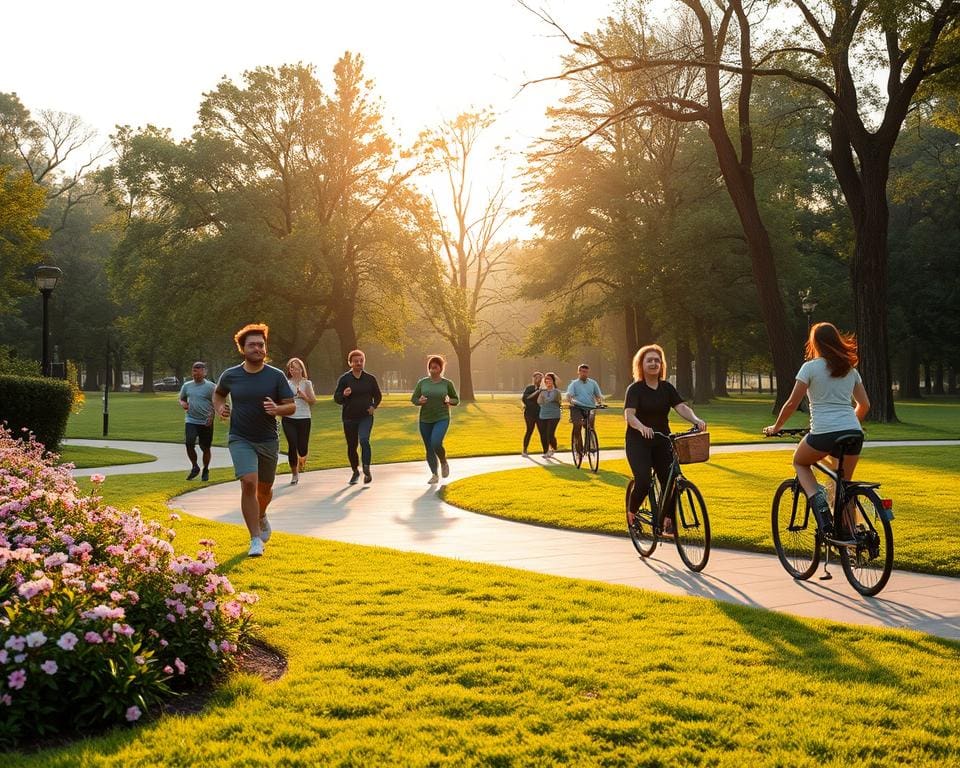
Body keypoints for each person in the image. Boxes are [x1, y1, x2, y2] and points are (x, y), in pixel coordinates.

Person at [763, 322, 870, 535]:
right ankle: (850, 536)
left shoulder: (810, 368)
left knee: (799, 461)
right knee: (844, 486)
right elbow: (864, 405)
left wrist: (776, 427)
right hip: (853, 433)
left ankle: (820, 505)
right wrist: (849, 425)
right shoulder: (850, 370)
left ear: (816, 343)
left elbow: (792, 403)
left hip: (823, 433)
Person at [213, 323, 295, 558]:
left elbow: (291, 406)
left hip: (268, 439)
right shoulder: (230, 375)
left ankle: (261, 514)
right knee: (249, 482)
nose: (258, 348)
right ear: (243, 349)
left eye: (261, 344)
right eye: (252, 345)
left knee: (265, 489)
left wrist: (277, 409)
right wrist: (220, 408)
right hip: (240, 437)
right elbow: (218, 394)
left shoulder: (276, 376)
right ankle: (255, 539)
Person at [624, 344, 706, 535]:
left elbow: (681, 407)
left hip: (662, 440)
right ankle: (632, 513)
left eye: (657, 360)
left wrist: (696, 419)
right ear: (641, 364)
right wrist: (642, 427)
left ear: (662, 365)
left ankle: (668, 520)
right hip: (638, 442)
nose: (654, 363)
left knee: (672, 480)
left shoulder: (667, 388)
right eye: (649, 360)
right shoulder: (635, 389)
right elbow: (629, 415)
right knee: (643, 482)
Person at [334, 349, 383, 485]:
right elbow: (337, 398)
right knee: (352, 446)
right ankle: (355, 471)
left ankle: (366, 468)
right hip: (349, 418)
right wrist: (344, 394)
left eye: (361, 361)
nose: (359, 363)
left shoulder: (370, 379)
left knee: (364, 439)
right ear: (350, 363)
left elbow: (378, 396)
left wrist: (374, 406)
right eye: (356, 361)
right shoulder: (345, 379)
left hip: (366, 416)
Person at [411, 355, 460, 484]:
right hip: (425, 419)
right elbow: (414, 399)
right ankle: (434, 474)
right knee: (429, 447)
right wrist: (419, 401)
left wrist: (449, 400)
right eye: (431, 367)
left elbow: (456, 399)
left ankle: (443, 462)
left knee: (436, 442)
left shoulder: (447, 383)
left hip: (442, 417)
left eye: (435, 367)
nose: (432, 369)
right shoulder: (422, 382)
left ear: (440, 368)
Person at [178, 361, 216, 481]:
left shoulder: (211, 387)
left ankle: (205, 469)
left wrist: (211, 417)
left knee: (205, 447)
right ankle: (195, 467)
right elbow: (181, 398)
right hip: (191, 419)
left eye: (198, 372)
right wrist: (183, 403)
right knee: (189, 443)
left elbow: (216, 403)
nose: (196, 375)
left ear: (204, 372)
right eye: (194, 372)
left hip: (206, 421)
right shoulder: (187, 385)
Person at [282, 357, 316, 485]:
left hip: (304, 418)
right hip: (289, 418)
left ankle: (302, 458)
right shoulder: (285, 383)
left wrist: (304, 396)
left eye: (297, 368)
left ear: (302, 369)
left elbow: (313, 401)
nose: (294, 370)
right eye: (292, 368)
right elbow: (280, 399)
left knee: (302, 449)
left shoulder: (307, 383)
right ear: (289, 370)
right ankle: (294, 474)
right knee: (292, 444)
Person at [565, 363, 604, 452]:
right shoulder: (574, 384)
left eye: (586, 372)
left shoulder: (593, 383)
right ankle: (579, 448)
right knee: (578, 425)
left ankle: (590, 446)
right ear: (578, 372)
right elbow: (569, 395)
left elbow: (598, 395)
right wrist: (570, 401)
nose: (584, 374)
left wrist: (599, 402)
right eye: (582, 371)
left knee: (590, 426)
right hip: (577, 408)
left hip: (590, 407)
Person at [536, 372, 562, 457]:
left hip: (554, 415)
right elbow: (539, 402)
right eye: (546, 379)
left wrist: (544, 397)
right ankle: (547, 451)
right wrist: (543, 395)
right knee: (544, 434)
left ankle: (553, 447)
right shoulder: (542, 392)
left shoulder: (556, 392)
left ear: (553, 381)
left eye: (549, 379)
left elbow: (551, 400)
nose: (547, 381)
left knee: (550, 433)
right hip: (543, 414)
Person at [521, 371, 543, 456]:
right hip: (529, 413)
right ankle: (525, 450)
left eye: (540, 378)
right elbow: (525, 399)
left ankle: (546, 449)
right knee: (529, 430)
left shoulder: (544, 389)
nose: (538, 379)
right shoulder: (529, 388)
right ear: (533, 379)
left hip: (540, 413)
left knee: (542, 431)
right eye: (536, 378)